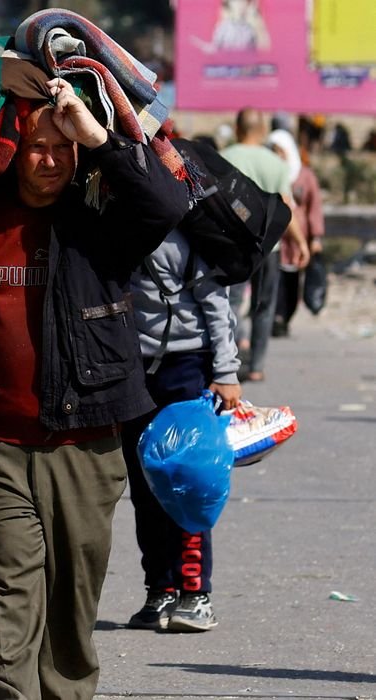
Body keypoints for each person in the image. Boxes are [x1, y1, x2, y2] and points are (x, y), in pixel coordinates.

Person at [0, 79, 190, 699]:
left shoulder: (101, 220)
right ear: (12, 150)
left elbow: (166, 206)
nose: (47, 159)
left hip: (85, 444)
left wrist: (98, 137)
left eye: (59, 146)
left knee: (72, 605)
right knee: (3, 598)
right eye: (34, 146)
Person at [123, 225, 243, 634]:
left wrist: (226, 373)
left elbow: (217, 307)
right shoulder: (114, 224)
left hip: (187, 370)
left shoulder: (187, 237)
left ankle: (195, 593)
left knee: (191, 482)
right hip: (132, 372)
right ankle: (160, 589)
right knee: (144, 488)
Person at [220, 108, 309, 381]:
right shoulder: (276, 163)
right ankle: (257, 366)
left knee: (230, 303)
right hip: (268, 246)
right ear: (261, 131)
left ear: (237, 128)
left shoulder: (224, 158)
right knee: (264, 305)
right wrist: (299, 242)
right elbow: (285, 207)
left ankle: (230, 360)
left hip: (233, 244)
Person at [267, 128, 325, 338]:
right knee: (275, 280)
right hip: (275, 239)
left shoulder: (305, 176)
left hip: (297, 239)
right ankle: (276, 317)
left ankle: (285, 316)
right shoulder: (271, 171)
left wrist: (316, 237)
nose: (277, 155)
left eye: (279, 150)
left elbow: (314, 206)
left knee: (292, 282)